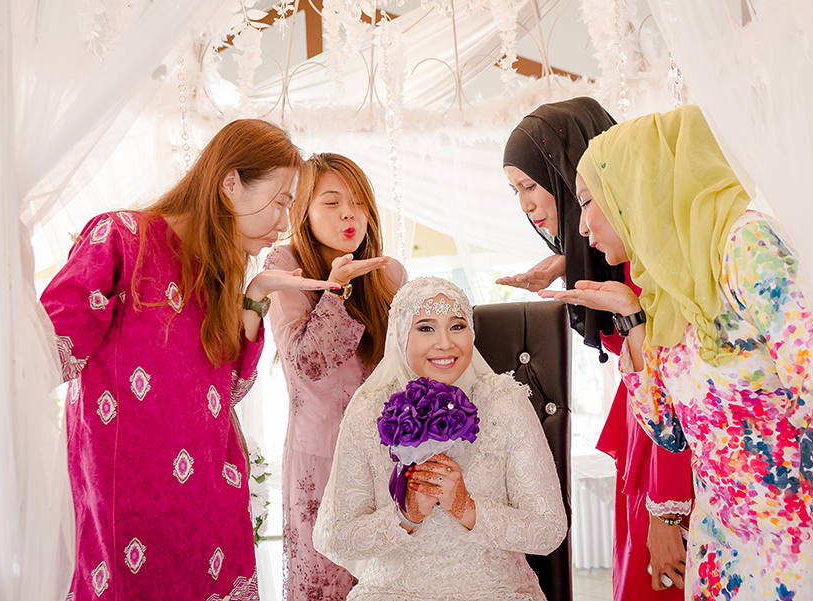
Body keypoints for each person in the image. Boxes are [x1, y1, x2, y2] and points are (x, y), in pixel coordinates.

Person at [543, 104, 813, 599]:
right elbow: (671, 434)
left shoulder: (747, 247)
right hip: (725, 556)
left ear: (638, 186)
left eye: (588, 201)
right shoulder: (666, 287)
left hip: (808, 555)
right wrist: (631, 317)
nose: (582, 227)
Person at [40, 119, 340, 600]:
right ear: (230, 184)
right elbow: (44, 356)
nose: (285, 223)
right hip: (127, 513)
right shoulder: (120, 240)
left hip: (210, 512)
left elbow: (230, 393)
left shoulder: (218, 276)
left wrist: (255, 296)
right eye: (282, 201)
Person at [500, 98, 694, 596]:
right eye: (514, 191)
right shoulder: (618, 256)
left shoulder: (655, 265)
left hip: (667, 453)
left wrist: (667, 506)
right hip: (648, 438)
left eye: (529, 185)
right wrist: (570, 260)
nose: (523, 205)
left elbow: (677, 388)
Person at [312, 276, 567, 600]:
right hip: (394, 591)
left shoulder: (506, 402)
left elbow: (549, 530)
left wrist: (467, 508)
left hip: (494, 590)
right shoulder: (368, 409)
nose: (445, 343)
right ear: (401, 334)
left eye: (457, 326)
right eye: (426, 328)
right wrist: (404, 515)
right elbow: (339, 536)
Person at [263, 153, 407, 600]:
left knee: (385, 581)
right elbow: (306, 361)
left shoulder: (390, 273)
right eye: (331, 202)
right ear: (302, 210)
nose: (349, 212)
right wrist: (336, 289)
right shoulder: (283, 264)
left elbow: (407, 370)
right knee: (325, 581)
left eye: (358, 201)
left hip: (387, 457)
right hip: (320, 458)